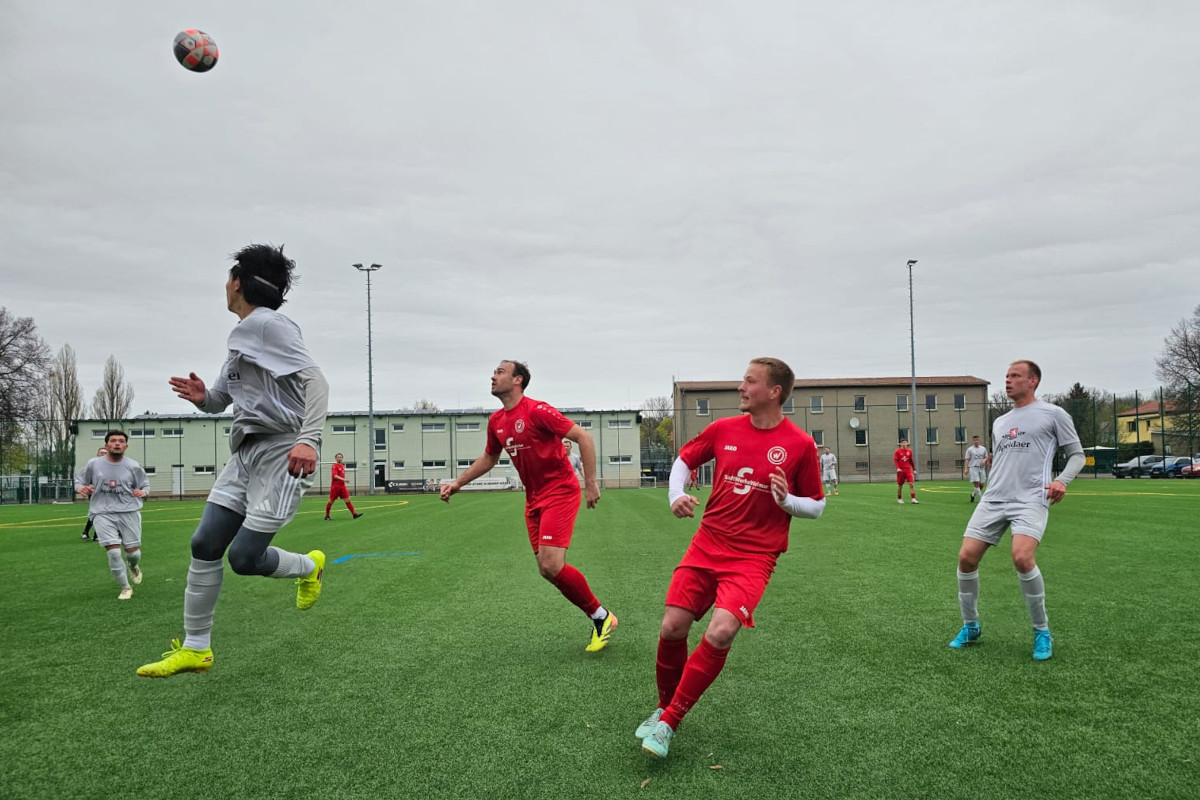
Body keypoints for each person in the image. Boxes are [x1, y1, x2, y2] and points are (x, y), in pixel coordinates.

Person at [138, 243, 329, 678]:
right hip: (245, 452)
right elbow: (224, 398)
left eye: (228, 279)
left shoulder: (268, 325)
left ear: (238, 282)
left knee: (244, 558)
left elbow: (318, 382)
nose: (225, 286)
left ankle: (310, 566)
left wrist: (309, 440)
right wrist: (204, 397)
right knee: (205, 543)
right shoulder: (244, 336)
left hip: (282, 450)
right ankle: (196, 648)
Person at [637, 358, 825, 759]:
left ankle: (670, 722)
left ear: (774, 392)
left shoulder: (800, 444)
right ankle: (662, 707)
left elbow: (817, 506)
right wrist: (675, 496)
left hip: (755, 557)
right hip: (708, 543)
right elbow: (685, 459)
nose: (741, 387)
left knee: (721, 632)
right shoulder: (723, 429)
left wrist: (786, 500)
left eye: (749, 381)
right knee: (672, 626)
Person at [440, 360, 616, 652]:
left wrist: (591, 483)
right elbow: (489, 458)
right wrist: (458, 483)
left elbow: (583, 437)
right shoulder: (496, 421)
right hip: (533, 499)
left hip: (560, 491)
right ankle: (600, 616)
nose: (493, 376)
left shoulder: (536, 410)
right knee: (546, 570)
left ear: (518, 380)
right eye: (494, 372)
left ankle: (603, 617)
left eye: (500, 372)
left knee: (551, 563)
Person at [949, 360, 1085, 662]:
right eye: (1007, 376)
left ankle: (1041, 631)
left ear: (1032, 380)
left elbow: (1077, 455)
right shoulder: (999, 421)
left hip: (1030, 499)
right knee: (966, 558)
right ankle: (971, 626)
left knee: (1022, 558)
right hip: (994, 499)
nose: (1008, 381)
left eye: (1015, 376)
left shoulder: (1053, 414)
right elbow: (1002, 457)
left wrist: (1062, 481)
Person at [75, 432, 149, 599]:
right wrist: (81, 488)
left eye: (121, 441)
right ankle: (125, 587)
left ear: (126, 446)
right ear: (106, 445)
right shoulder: (93, 464)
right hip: (102, 512)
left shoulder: (134, 466)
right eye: (113, 441)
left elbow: (145, 484)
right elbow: (79, 481)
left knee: (132, 553)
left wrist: (143, 492)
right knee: (114, 552)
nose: (117, 443)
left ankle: (133, 566)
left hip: (129, 511)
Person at [79, 446, 108, 541]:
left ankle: (93, 534)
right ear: (97, 454)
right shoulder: (92, 465)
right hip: (95, 493)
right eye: (101, 453)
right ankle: (88, 533)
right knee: (97, 512)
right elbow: (84, 478)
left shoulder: (110, 466)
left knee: (101, 513)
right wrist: (89, 486)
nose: (103, 454)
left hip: (107, 493)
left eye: (105, 453)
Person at [324, 453, 363, 520]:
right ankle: (327, 516)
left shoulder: (342, 466)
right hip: (335, 486)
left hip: (342, 486)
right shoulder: (334, 466)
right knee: (331, 501)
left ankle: (354, 514)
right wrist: (344, 479)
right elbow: (335, 476)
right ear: (336, 458)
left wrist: (343, 481)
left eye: (340, 457)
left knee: (347, 500)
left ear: (342, 458)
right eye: (338, 457)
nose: (339, 458)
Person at [963, 435, 990, 503]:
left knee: (982, 485)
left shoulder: (983, 449)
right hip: (973, 467)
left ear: (979, 440)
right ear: (973, 441)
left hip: (981, 468)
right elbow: (967, 459)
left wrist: (984, 460)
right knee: (976, 483)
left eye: (977, 440)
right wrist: (966, 469)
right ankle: (981, 499)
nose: (976, 441)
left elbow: (986, 457)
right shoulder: (970, 449)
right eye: (974, 440)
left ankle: (973, 495)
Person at [894, 439, 918, 504]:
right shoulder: (897, 451)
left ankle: (913, 499)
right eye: (903, 443)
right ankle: (899, 498)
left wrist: (914, 469)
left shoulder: (909, 451)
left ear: (907, 443)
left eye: (905, 442)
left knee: (911, 484)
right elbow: (895, 460)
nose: (904, 444)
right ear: (901, 444)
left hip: (908, 470)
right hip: (901, 471)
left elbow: (911, 461)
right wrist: (898, 468)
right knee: (900, 486)